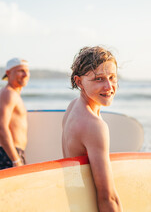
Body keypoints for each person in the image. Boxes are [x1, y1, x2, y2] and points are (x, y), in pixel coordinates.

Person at [62, 46, 123, 212]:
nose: (109, 86)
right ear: (79, 81)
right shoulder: (94, 126)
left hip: (75, 202)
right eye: (99, 79)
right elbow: (107, 197)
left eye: (112, 77)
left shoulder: (72, 107)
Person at [0, 58, 30, 170]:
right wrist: (15, 159)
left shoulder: (10, 93)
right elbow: (0, 128)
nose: (25, 74)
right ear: (8, 73)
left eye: (27, 71)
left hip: (11, 152)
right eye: (20, 71)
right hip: (9, 153)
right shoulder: (9, 94)